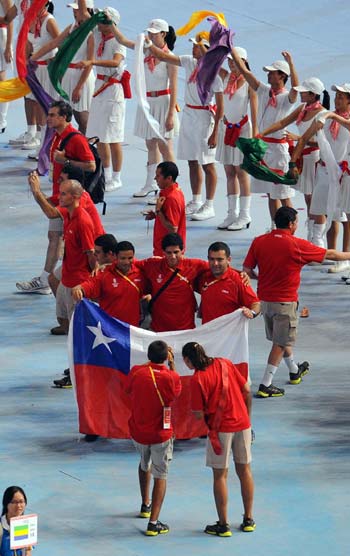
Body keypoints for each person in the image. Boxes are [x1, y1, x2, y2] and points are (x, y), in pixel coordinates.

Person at [243, 206, 350, 397]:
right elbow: (331, 255)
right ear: (292, 224)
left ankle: (294, 371)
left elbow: (248, 269)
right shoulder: (297, 245)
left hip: (265, 301)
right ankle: (266, 384)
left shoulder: (259, 241)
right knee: (280, 343)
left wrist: (262, 278)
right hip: (286, 302)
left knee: (282, 338)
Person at [16, 101, 96, 295]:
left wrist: (66, 161)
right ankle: (55, 276)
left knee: (55, 236)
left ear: (64, 117)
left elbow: (91, 165)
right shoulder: (57, 136)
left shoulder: (75, 139)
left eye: (52, 115)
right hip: (59, 193)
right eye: (49, 114)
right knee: (57, 237)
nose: (48, 117)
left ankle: (47, 279)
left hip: (69, 197)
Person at [145, 30, 224, 220]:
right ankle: (196, 200)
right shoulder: (189, 61)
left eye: (197, 45)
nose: (193, 48)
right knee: (192, 160)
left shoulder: (214, 74)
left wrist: (214, 133)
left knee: (207, 163)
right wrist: (149, 45)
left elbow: (220, 107)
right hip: (189, 113)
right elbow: (165, 56)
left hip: (204, 117)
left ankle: (209, 204)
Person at [182, 342, 255, 537]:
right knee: (245, 470)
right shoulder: (225, 363)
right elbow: (246, 390)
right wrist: (247, 418)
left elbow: (197, 414)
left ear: (188, 360)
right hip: (243, 424)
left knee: (220, 476)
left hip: (220, 429)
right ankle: (248, 519)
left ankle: (223, 525)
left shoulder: (198, 379)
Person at [230, 49, 299, 228]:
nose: (268, 75)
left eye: (272, 72)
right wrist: (231, 49)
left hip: (278, 151)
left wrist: (291, 64)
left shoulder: (286, 98)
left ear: (282, 76)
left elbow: (296, 90)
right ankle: (275, 226)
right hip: (263, 149)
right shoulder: (263, 91)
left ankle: (291, 229)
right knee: (270, 193)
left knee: (283, 194)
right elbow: (246, 72)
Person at [112, 18, 179, 200]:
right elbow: (124, 41)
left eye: (153, 33)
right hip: (148, 102)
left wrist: (171, 114)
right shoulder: (145, 50)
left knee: (165, 146)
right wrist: (112, 26)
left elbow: (174, 87)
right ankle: (151, 183)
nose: (149, 35)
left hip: (163, 102)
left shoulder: (170, 58)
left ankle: (172, 189)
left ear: (163, 35)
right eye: (148, 32)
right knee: (150, 144)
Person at [259, 77, 329, 238]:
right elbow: (282, 123)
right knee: (308, 199)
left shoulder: (323, 114)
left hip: (314, 159)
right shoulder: (303, 108)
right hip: (302, 159)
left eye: (303, 92)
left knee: (314, 201)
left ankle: (317, 238)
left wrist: (299, 139)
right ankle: (312, 234)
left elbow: (323, 142)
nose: (300, 94)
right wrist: (262, 134)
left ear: (312, 95)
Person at [126, 340, 182, 536]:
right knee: (161, 475)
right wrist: (172, 363)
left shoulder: (136, 372)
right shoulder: (170, 377)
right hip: (160, 434)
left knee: (144, 464)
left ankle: (145, 504)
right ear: (166, 357)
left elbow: (128, 389)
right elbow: (176, 393)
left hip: (138, 433)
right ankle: (153, 522)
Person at [289, 84, 350, 259]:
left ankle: (344, 257)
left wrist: (329, 115)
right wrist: (293, 162)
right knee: (322, 210)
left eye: (341, 97)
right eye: (336, 96)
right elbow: (305, 138)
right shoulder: (325, 119)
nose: (337, 99)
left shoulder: (333, 117)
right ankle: (327, 251)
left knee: (344, 216)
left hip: (343, 174)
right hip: (324, 170)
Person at [77, 7, 126, 191]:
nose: (98, 23)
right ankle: (104, 174)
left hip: (113, 89)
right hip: (99, 88)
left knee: (113, 137)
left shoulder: (118, 41)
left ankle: (117, 176)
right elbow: (84, 16)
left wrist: (92, 62)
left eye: (103, 20)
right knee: (99, 134)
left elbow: (115, 62)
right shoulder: (98, 34)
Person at [31, 1, 96, 135]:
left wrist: (79, 86)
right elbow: (53, 44)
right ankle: (70, 146)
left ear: (87, 10)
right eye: (73, 10)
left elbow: (90, 63)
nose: (74, 12)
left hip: (81, 76)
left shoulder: (91, 32)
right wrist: (33, 58)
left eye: (77, 10)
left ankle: (85, 148)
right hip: (68, 75)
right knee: (65, 115)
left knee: (81, 117)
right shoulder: (71, 27)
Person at [216, 47, 257, 230]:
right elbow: (211, 59)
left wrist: (255, 135)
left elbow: (254, 110)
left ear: (244, 61)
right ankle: (232, 214)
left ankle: (244, 214)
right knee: (229, 172)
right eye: (230, 61)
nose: (232, 64)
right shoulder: (225, 77)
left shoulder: (249, 82)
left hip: (243, 130)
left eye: (236, 61)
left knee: (242, 172)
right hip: (227, 129)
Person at [136, 233, 208, 332]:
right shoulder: (152, 264)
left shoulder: (194, 265)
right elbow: (129, 263)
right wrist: (108, 266)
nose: (173, 256)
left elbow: (219, 267)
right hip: (159, 328)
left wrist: (237, 274)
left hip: (185, 327)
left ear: (182, 251)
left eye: (176, 252)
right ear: (163, 252)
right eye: (169, 253)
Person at [72, 240, 145, 326]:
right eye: (123, 258)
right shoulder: (104, 274)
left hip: (132, 331)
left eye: (130, 258)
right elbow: (88, 286)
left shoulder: (141, 273)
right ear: (115, 256)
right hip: (110, 330)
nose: (126, 262)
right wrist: (78, 289)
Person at [197, 241, 260, 324]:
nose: (215, 263)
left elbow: (255, 304)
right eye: (212, 259)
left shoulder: (238, 280)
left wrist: (252, 313)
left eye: (220, 260)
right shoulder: (203, 276)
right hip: (208, 333)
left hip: (229, 334)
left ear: (228, 259)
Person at [144, 161, 186, 256]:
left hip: (168, 253)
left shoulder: (171, 198)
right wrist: (156, 215)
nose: (155, 178)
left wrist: (158, 211)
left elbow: (173, 229)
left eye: (158, 176)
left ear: (169, 178)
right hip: (167, 250)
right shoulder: (173, 192)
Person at [0, 486, 32, 556]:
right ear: (6, 504)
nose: (18, 506)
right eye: (14, 502)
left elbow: (28, 550)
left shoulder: (26, 524)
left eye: (21, 501)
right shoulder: (1, 527)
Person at [0, 0, 13, 134]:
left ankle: (2, 120)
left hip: (1, 37)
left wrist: (8, 46)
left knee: (2, 80)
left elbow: (11, 19)